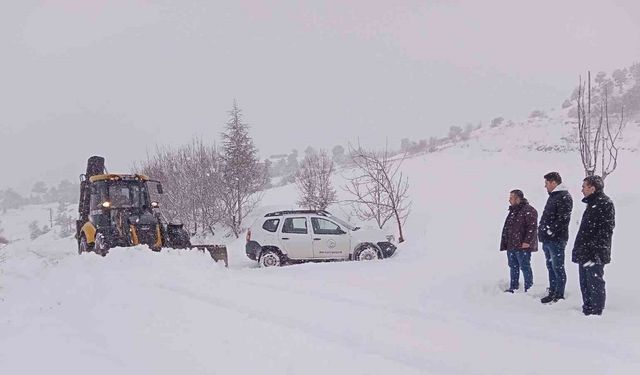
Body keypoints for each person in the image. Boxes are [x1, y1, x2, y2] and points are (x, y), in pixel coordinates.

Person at [572, 175, 615, 316]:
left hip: (594, 253)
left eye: (584, 186)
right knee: (584, 282)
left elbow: (605, 231)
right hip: (585, 251)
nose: (582, 190)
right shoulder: (592, 204)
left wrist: (595, 251)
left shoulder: (604, 203)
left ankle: (596, 311)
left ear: (592, 188)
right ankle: (588, 307)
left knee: (594, 282)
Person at [538, 172, 573, 304]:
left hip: (556, 239)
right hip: (548, 239)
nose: (545, 186)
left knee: (557, 267)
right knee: (550, 266)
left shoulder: (564, 196)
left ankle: (559, 294)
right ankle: (552, 291)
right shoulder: (554, 196)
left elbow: (563, 219)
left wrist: (549, 231)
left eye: (546, 183)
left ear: (553, 182)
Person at [500, 189, 538, 293]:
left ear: (518, 199)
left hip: (522, 245)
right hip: (511, 245)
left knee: (525, 266)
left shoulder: (529, 210)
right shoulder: (513, 211)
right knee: (513, 267)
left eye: (511, 198)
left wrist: (527, 241)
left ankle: (529, 288)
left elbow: (532, 228)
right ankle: (513, 287)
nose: (509, 200)